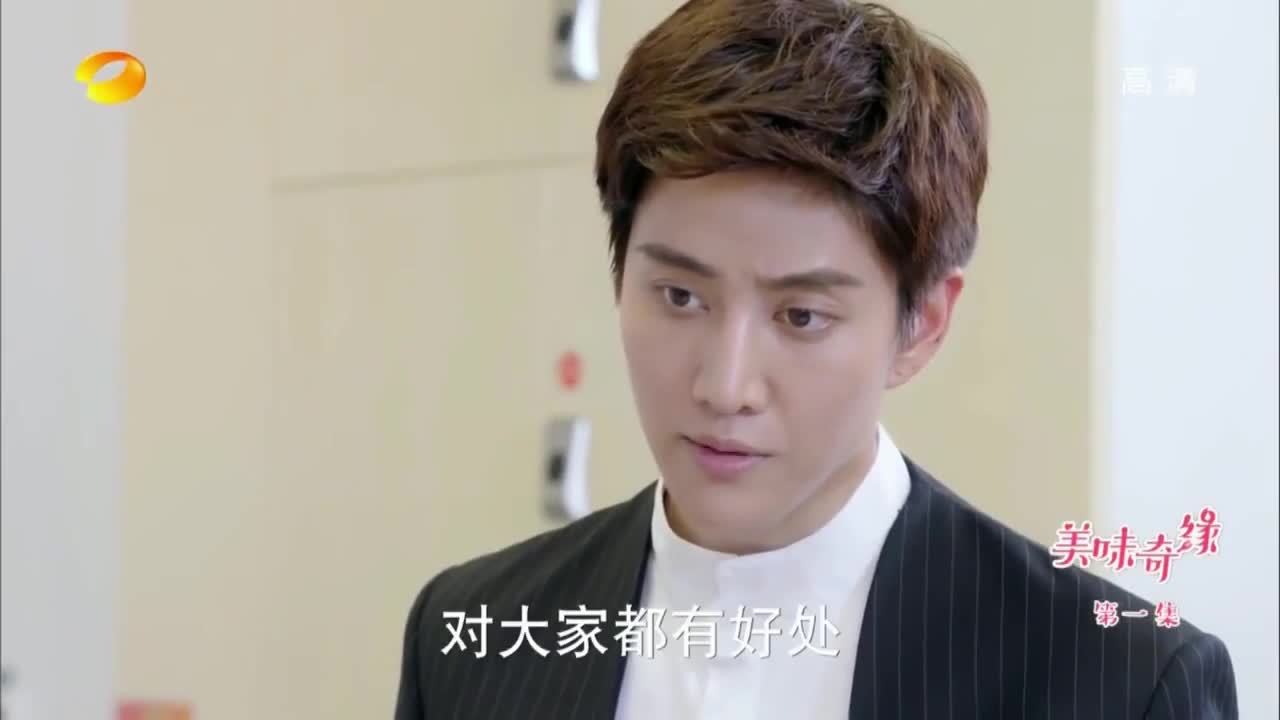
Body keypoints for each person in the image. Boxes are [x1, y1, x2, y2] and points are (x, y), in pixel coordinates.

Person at [393, 1, 1238, 718]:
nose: (725, 387)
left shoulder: (1117, 682)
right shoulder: (469, 635)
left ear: (921, 326)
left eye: (801, 316)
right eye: (680, 297)